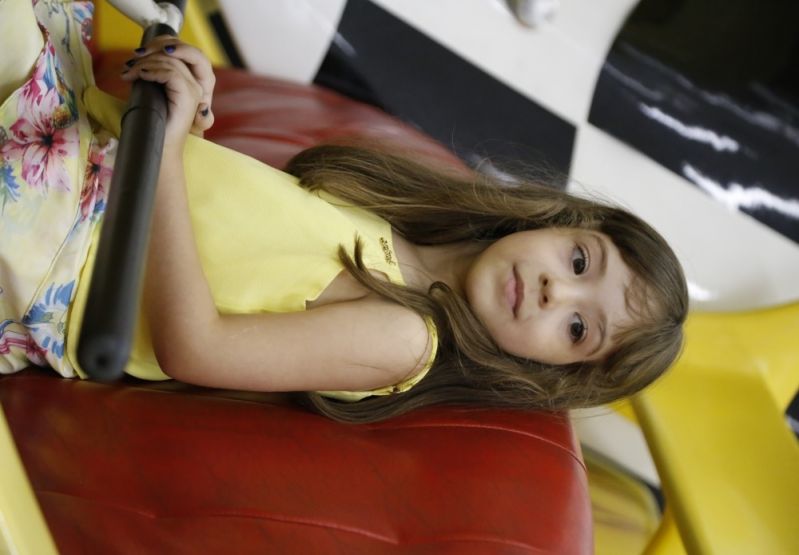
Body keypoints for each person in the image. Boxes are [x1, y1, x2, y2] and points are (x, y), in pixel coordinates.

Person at [1, 1, 687, 422]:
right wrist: (191, 105)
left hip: (69, 256)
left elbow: (197, 344)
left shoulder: (404, 338)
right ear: (560, 222)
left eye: (575, 326)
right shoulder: (397, 223)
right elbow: (227, 224)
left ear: (551, 372)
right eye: (576, 262)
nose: (552, 290)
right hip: (93, 150)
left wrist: (170, 153)